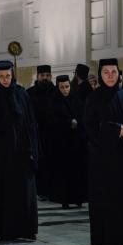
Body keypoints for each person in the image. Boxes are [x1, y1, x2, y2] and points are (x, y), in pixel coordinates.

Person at [83, 58, 123, 245]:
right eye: (106, 72)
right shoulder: (92, 99)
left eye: (113, 72)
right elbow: (90, 128)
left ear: (119, 74)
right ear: (100, 75)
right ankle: (106, 238)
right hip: (103, 160)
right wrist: (113, 130)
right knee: (106, 198)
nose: (110, 76)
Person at [0, 60, 39, 240]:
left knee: (24, 193)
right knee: (3, 194)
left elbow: (30, 124)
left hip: (21, 153)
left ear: (13, 75)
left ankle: (25, 229)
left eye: (8, 76)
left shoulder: (21, 94)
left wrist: (33, 149)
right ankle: (5, 230)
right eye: (1, 77)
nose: (5, 80)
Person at [49, 75, 87, 209]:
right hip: (62, 144)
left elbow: (84, 116)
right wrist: (68, 123)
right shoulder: (54, 102)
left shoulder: (76, 99)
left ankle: (78, 198)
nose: (65, 90)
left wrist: (78, 122)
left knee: (77, 172)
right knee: (64, 174)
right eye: (62, 87)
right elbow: (53, 121)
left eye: (67, 86)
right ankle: (65, 200)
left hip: (76, 143)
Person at [27, 64, 55, 200]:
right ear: (37, 77)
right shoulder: (30, 93)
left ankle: (52, 190)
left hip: (53, 134)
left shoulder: (56, 91)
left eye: (47, 76)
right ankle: (41, 191)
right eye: (42, 76)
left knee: (53, 163)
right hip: (37, 133)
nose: (45, 78)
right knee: (40, 163)